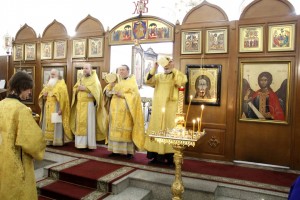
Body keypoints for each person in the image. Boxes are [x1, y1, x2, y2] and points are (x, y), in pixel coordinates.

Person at [0, 71, 46, 199]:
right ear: (22, 88)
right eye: (28, 89)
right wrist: (40, 146)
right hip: (16, 160)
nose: (30, 93)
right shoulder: (21, 110)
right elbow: (32, 141)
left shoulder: (1, 104)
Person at [144, 57, 187, 166]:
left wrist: (173, 70)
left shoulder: (178, 74)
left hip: (171, 107)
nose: (167, 65)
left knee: (170, 129)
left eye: (170, 62)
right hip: (158, 108)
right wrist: (154, 68)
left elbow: (181, 82)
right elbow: (148, 81)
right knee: (157, 129)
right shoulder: (158, 77)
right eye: (166, 63)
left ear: (173, 63)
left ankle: (170, 157)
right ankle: (156, 156)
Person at [103, 65, 145, 159]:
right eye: (119, 70)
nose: (121, 72)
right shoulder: (115, 81)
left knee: (126, 130)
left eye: (123, 70)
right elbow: (107, 93)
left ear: (127, 71)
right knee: (114, 130)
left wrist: (123, 95)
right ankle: (115, 151)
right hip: (114, 110)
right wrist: (110, 89)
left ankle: (128, 152)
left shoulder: (132, 82)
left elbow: (135, 96)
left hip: (127, 110)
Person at [70, 63, 108, 150]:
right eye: (83, 68)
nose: (84, 70)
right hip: (80, 105)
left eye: (86, 68)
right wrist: (76, 89)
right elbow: (75, 88)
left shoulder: (94, 79)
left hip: (89, 105)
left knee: (89, 124)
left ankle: (89, 144)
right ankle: (80, 144)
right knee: (79, 124)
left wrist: (86, 89)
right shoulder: (81, 78)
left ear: (91, 69)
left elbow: (97, 92)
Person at [38, 68, 72, 146]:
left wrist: (61, 109)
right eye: (51, 74)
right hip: (48, 106)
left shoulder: (61, 84)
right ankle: (47, 140)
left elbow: (64, 98)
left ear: (58, 75)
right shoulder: (48, 84)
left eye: (54, 74)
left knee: (56, 123)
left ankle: (56, 141)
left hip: (56, 106)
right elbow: (42, 95)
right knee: (47, 123)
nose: (52, 75)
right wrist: (44, 95)